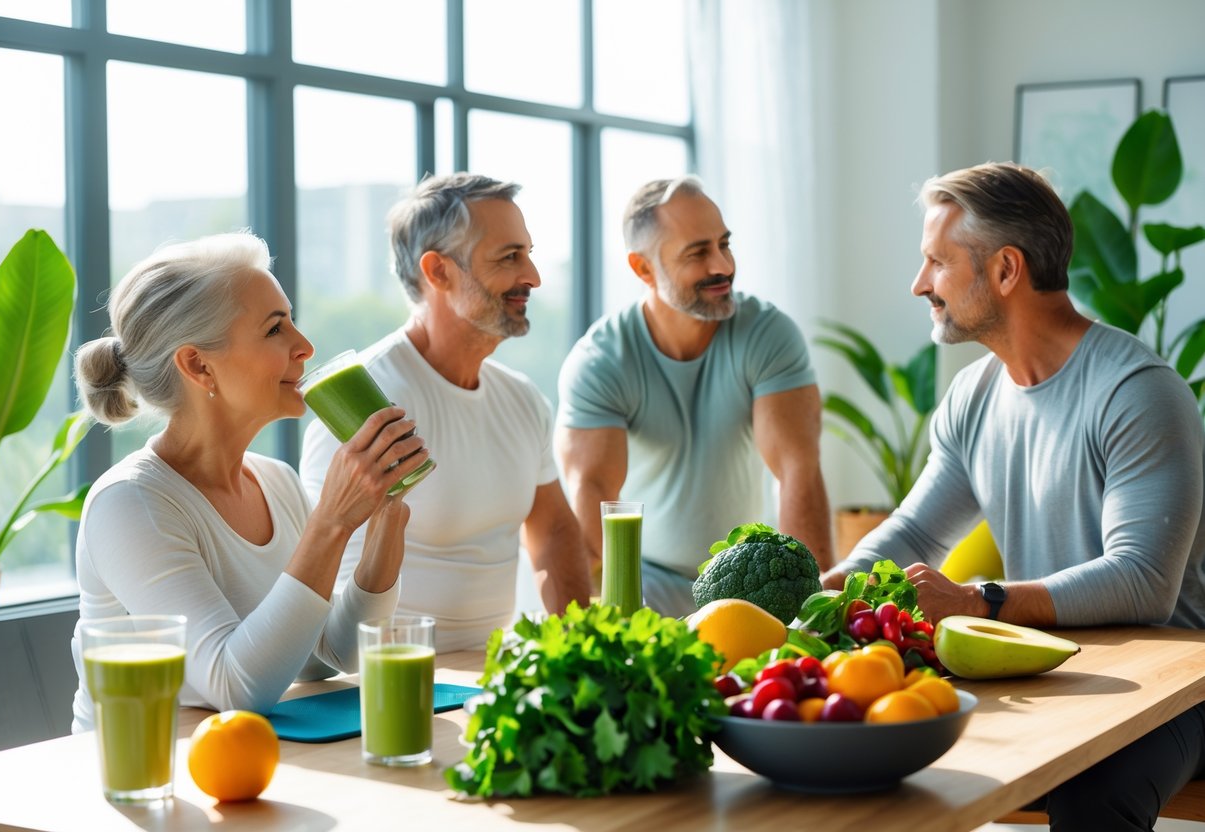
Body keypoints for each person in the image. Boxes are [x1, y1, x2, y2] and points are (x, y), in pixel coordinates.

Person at [823, 162, 1205, 830]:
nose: (919, 285)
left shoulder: (1136, 392)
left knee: (1091, 794)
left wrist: (976, 601)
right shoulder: (974, 395)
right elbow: (911, 535)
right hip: (1048, 672)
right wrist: (832, 587)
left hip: (1174, 687)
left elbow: (1143, 583)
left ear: (1005, 270)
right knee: (866, 748)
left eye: (937, 263)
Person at [69, 232, 425, 732]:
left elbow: (331, 653)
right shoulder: (130, 505)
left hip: (248, 768)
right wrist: (331, 522)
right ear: (198, 365)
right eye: (275, 329)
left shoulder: (275, 482)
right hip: (143, 780)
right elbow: (235, 687)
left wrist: (388, 511)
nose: (305, 346)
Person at [300, 172, 591, 653]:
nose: (533, 277)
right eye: (509, 257)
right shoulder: (363, 402)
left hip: (492, 679)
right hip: (394, 680)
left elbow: (556, 534)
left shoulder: (521, 399)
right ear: (438, 272)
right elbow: (328, 602)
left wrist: (578, 653)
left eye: (529, 254)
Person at [555, 175, 834, 618]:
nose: (722, 265)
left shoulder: (767, 334)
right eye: (698, 253)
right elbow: (593, 495)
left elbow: (797, 469)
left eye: (725, 244)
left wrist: (811, 613)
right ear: (643, 269)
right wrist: (609, 623)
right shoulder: (602, 359)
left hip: (747, 582)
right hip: (647, 585)